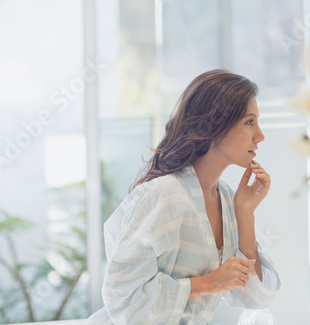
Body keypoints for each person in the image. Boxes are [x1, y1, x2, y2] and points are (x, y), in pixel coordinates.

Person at [85, 69, 281, 324]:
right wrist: (208, 283)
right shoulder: (164, 195)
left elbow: (255, 299)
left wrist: (245, 213)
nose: (260, 135)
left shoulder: (227, 201)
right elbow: (122, 299)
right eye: (249, 121)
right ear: (216, 125)